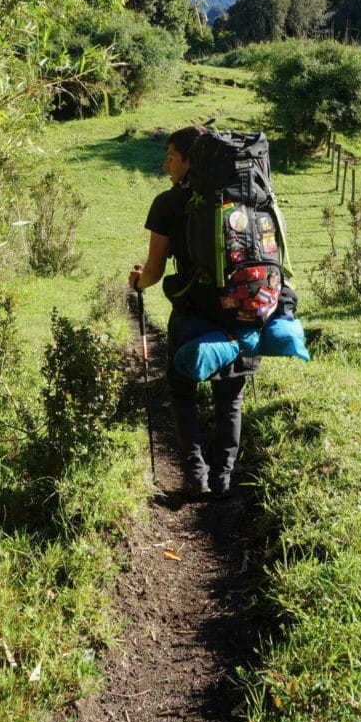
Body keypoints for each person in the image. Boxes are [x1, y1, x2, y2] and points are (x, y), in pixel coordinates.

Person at [128, 126, 260, 499]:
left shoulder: (167, 204)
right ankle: (223, 480)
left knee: (182, 389)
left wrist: (137, 282)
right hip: (242, 310)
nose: (165, 163)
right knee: (230, 397)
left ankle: (195, 476)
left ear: (189, 161)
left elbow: (153, 273)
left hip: (192, 313)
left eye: (171, 156)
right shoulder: (244, 199)